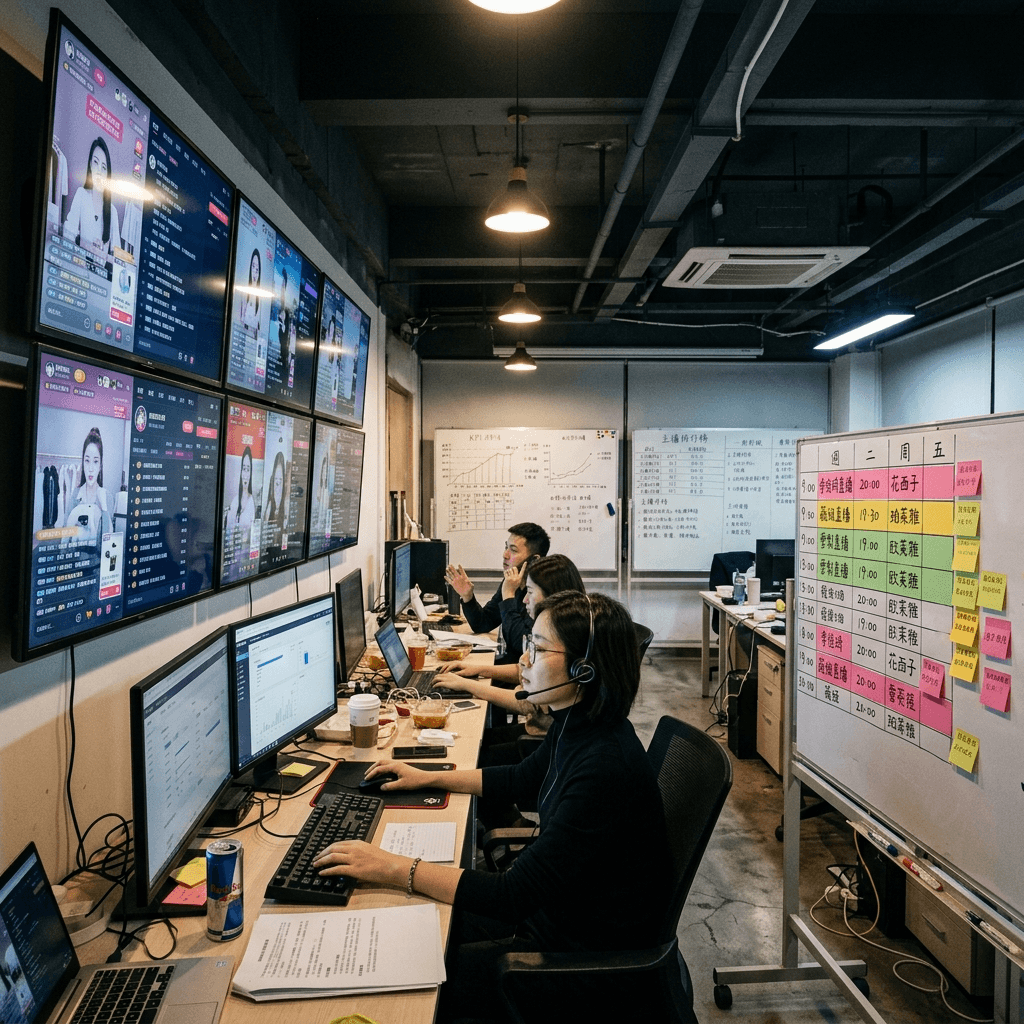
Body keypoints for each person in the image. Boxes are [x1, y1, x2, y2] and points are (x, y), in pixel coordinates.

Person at [313, 591, 670, 1022]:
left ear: (583, 669)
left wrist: (391, 866)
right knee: (413, 922)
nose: (522, 660)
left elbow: (512, 895)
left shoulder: (604, 766)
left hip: (575, 960)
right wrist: (428, 777)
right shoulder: (577, 722)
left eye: (537, 648)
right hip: (556, 915)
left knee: (410, 985)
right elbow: (520, 779)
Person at [444, 522, 549, 672]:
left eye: (513, 550)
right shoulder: (511, 581)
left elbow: (521, 643)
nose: (505, 554)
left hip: (525, 673)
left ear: (534, 559)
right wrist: (468, 597)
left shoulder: (542, 591)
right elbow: (483, 623)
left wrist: (508, 595)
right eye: (506, 547)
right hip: (511, 667)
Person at [63, 137, 121, 259]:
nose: (99, 171)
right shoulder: (81, 195)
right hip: (79, 266)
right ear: (90, 165)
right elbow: (69, 230)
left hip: (100, 273)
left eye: (104, 167)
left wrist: (103, 254)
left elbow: (117, 256)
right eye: (95, 162)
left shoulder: (113, 212)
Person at [59, 427, 111, 546]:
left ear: (101, 465)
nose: (91, 468)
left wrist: (104, 509)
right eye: (87, 461)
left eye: (95, 461)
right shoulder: (76, 495)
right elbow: (65, 534)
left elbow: (108, 542)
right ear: (82, 462)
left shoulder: (107, 497)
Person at [229, 445, 256, 532]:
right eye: (244, 469)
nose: (245, 474)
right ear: (240, 472)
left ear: (251, 473)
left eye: (248, 470)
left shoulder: (252, 503)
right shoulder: (234, 501)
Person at [239, 247, 262, 336]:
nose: (254, 272)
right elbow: (241, 321)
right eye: (253, 266)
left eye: (257, 269)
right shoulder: (244, 293)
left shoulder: (261, 299)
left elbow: (258, 330)